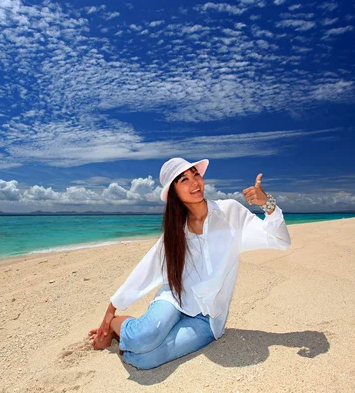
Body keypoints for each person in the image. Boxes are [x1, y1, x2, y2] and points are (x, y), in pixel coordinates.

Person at [88, 158, 291, 370]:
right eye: (184, 179)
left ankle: (132, 334)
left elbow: (279, 240)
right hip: (174, 298)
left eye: (196, 175)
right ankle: (118, 325)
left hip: (207, 319)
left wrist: (268, 204)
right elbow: (147, 269)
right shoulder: (176, 231)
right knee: (142, 338)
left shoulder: (229, 213)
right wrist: (110, 312)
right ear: (174, 192)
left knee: (142, 360)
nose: (195, 183)